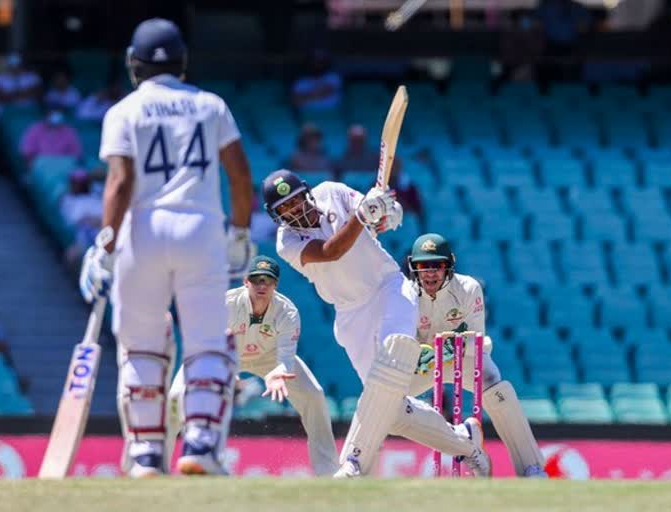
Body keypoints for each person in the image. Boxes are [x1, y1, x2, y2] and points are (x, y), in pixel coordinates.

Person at [78, 18, 254, 478]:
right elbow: (239, 175)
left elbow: (119, 184)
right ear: (183, 62)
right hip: (200, 229)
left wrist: (106, 245)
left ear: (133, 64)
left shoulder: (124, 111)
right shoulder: (210, 105)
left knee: (139, 346)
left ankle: (146, 455)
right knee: (206, 344)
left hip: (143, 231)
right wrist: (238, 232)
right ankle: (198, 443)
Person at [263, 169, 490, 478]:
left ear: (307, 192)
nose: (293, 210)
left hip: (389, 289)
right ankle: (465, 442)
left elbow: (373, 212)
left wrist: (386, 211)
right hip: (349, 313)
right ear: (275, 216)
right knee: (391, 411)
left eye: (295, 201)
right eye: (283, 209)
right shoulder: (286, 242)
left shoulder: (331, 190)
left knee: (389, 366)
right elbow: (332, 251)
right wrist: (361, 216)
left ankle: (353, 463)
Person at [168, 256, 339, 475]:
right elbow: (207, 344)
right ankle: (158, 465)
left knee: (313, 395)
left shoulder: (287, 312)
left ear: (275, 285)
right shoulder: (226, 304)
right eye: (256, 279)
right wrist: (224, 370)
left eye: (267, 280)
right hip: (225, 355)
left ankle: (328, 471)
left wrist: (278, 373)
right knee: (175, 397)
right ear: (245, 281)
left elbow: (285, 358)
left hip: (270, 357)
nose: (261, 285)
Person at [407, 233, 547, 478]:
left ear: (449, 265)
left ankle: (531, 468)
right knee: (388, 399)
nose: (430, 273)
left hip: (463, 356)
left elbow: (476, 338)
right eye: (423, 266)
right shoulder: (404, 294)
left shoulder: (468, 288)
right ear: (413, 267)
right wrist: (417, 353)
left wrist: (445, 348)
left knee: (495, 381)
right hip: (424, 364)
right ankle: (464, 441)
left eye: (437, 266)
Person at [60, 169, 103, 269]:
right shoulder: (68, 199)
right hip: (87, 231)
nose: (79, 185)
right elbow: (77, 220)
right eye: (77, 182)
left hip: (105, 225)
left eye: (82, 182)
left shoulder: (95, 193)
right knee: (75, 250)